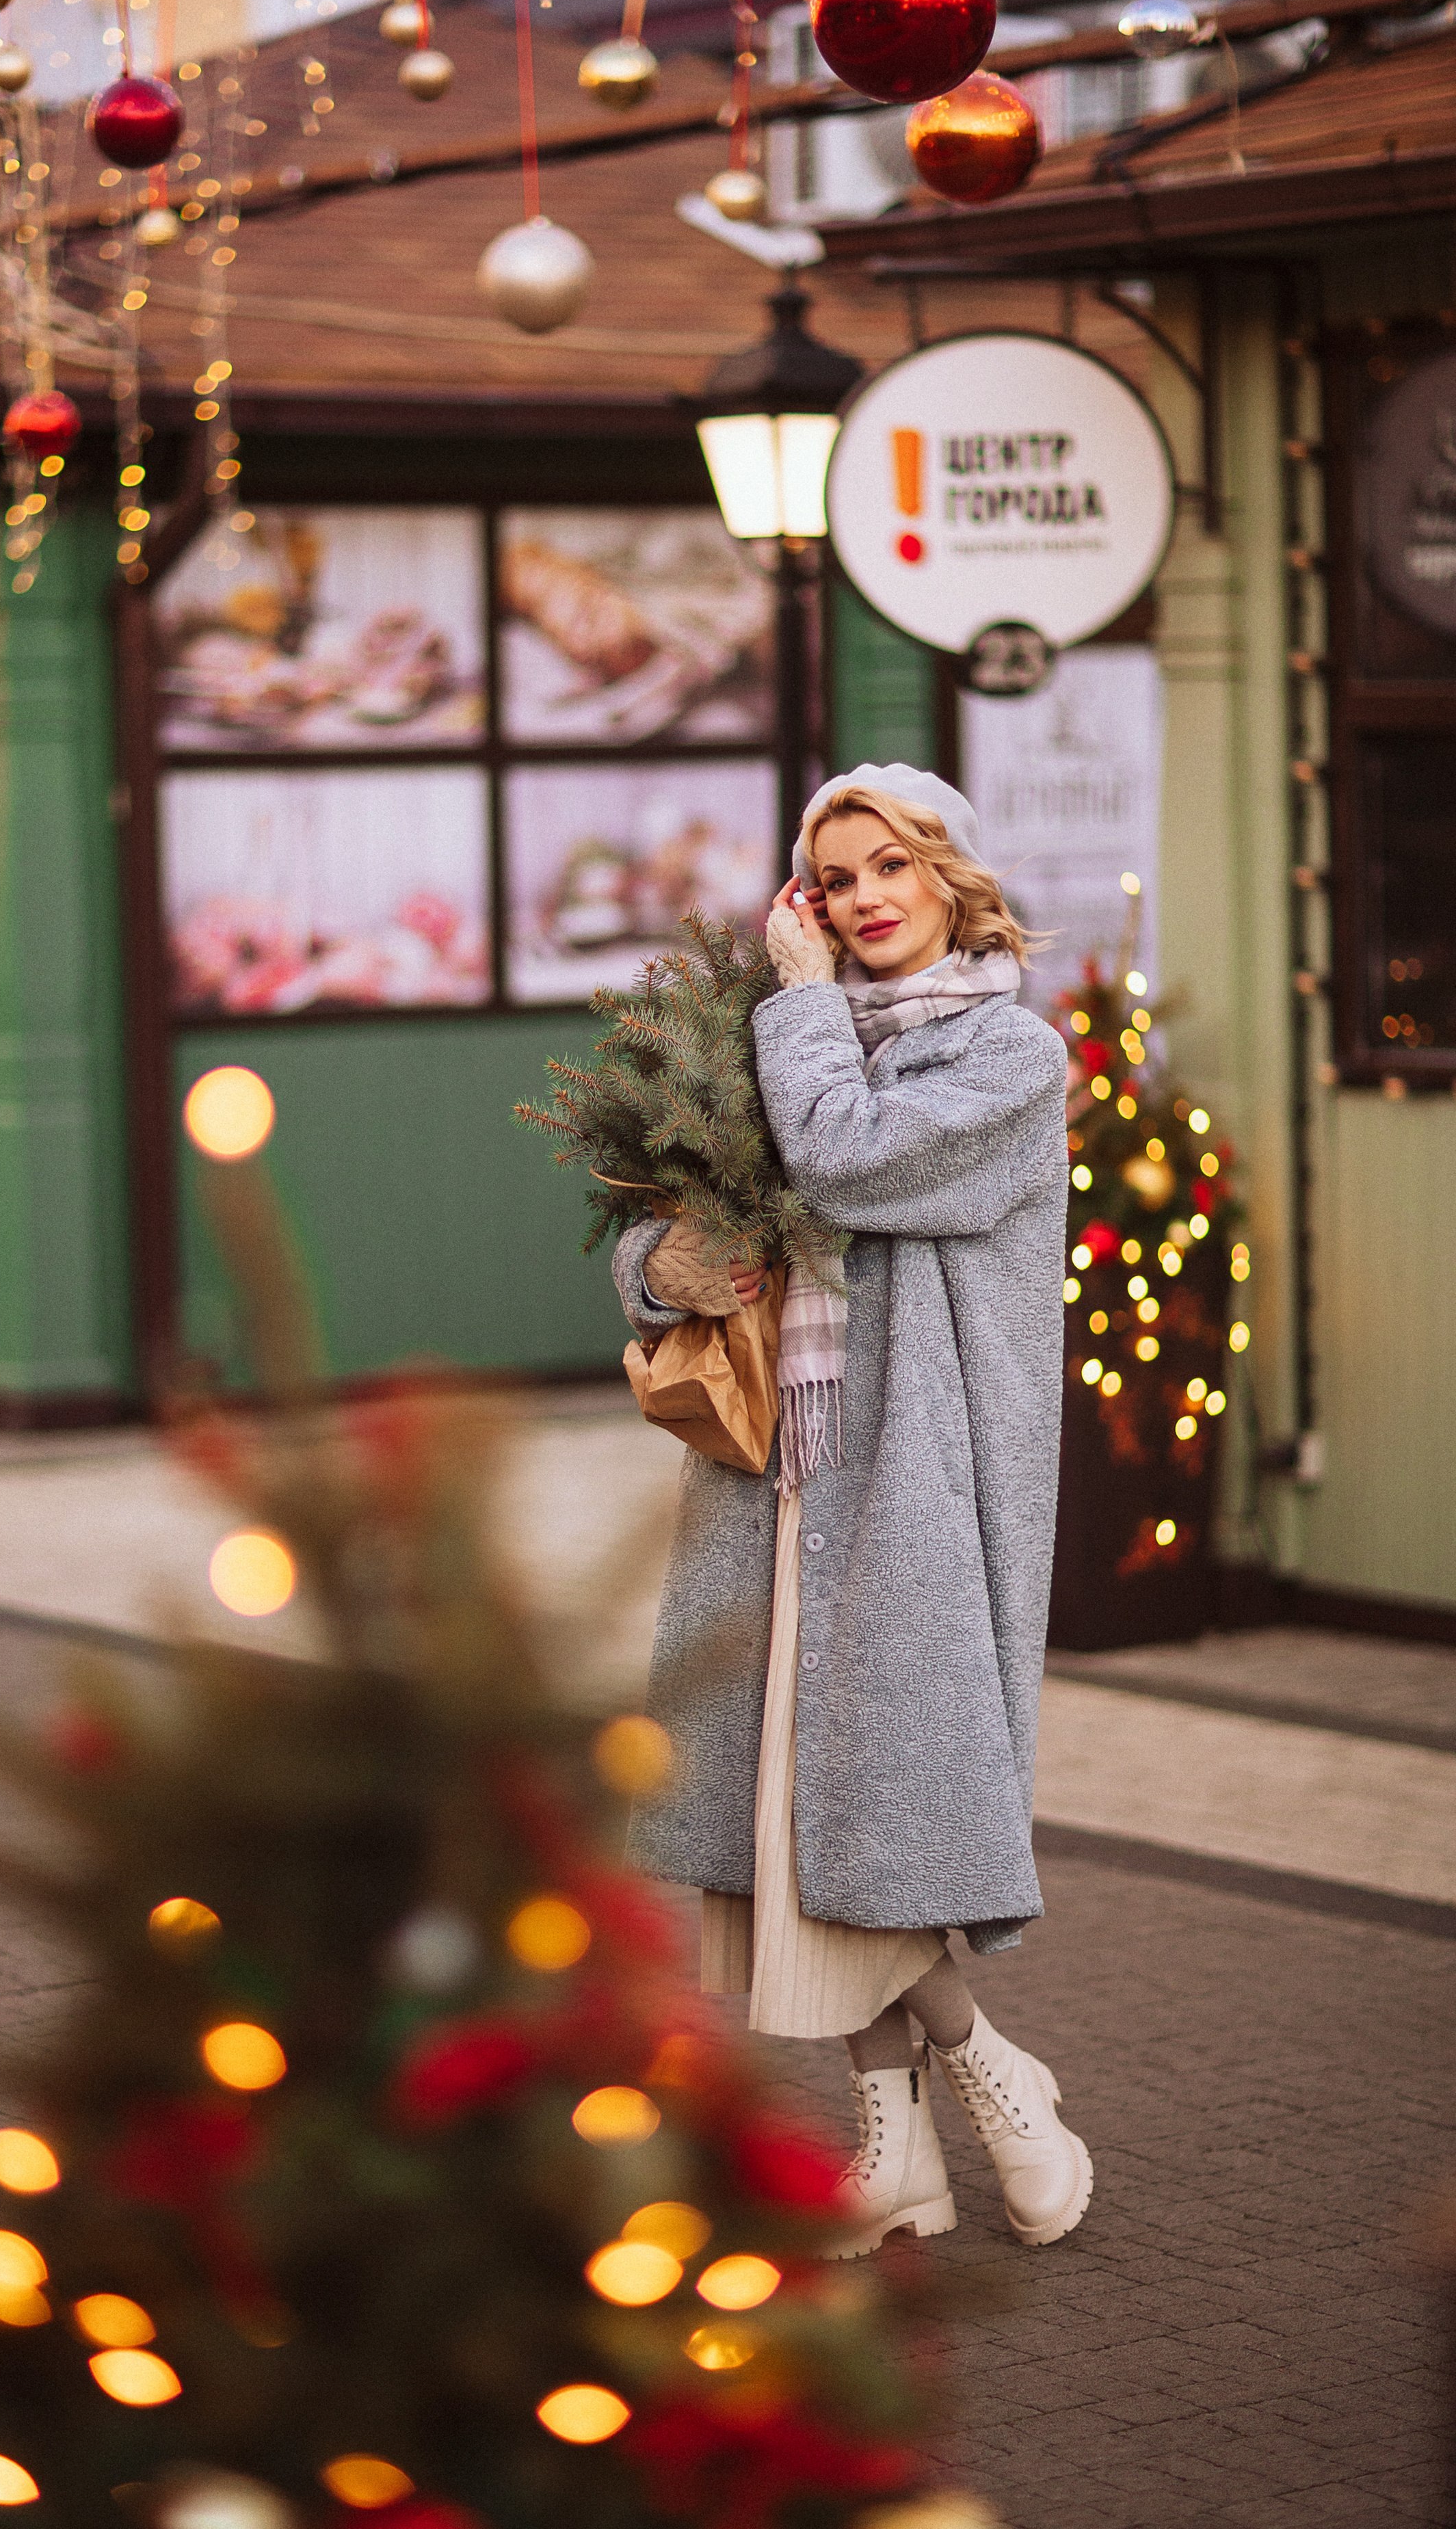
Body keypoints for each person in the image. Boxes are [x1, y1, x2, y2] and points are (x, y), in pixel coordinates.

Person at [613, 763, 1091, 2255]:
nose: (864, 898)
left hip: (916, 1492)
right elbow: (663, 1219)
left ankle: (992, 2078)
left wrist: (796, 1002)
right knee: (786, 1824)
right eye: (833, 878)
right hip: (775, 1482)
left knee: (868, 1818)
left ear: (952, 876)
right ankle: (896, 2153)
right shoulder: (791, 1036)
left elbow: (845, 1160)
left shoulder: (1006, 1061)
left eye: (892, 865)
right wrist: (659, 1276)